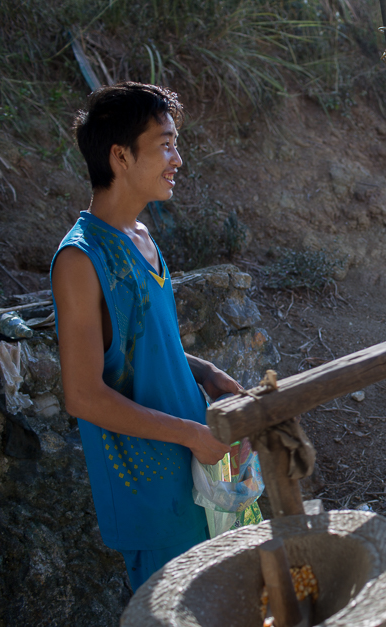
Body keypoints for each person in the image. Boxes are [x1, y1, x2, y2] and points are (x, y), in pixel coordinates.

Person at [50, 82, 243, 592]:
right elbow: (83, 394)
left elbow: (144, 346)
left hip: (190, 469)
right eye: (165, 144)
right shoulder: (81, 259)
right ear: (119, 156)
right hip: (149, 491)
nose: (177, 159)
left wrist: (204, 372)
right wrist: (190, 434)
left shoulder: (141, 237)